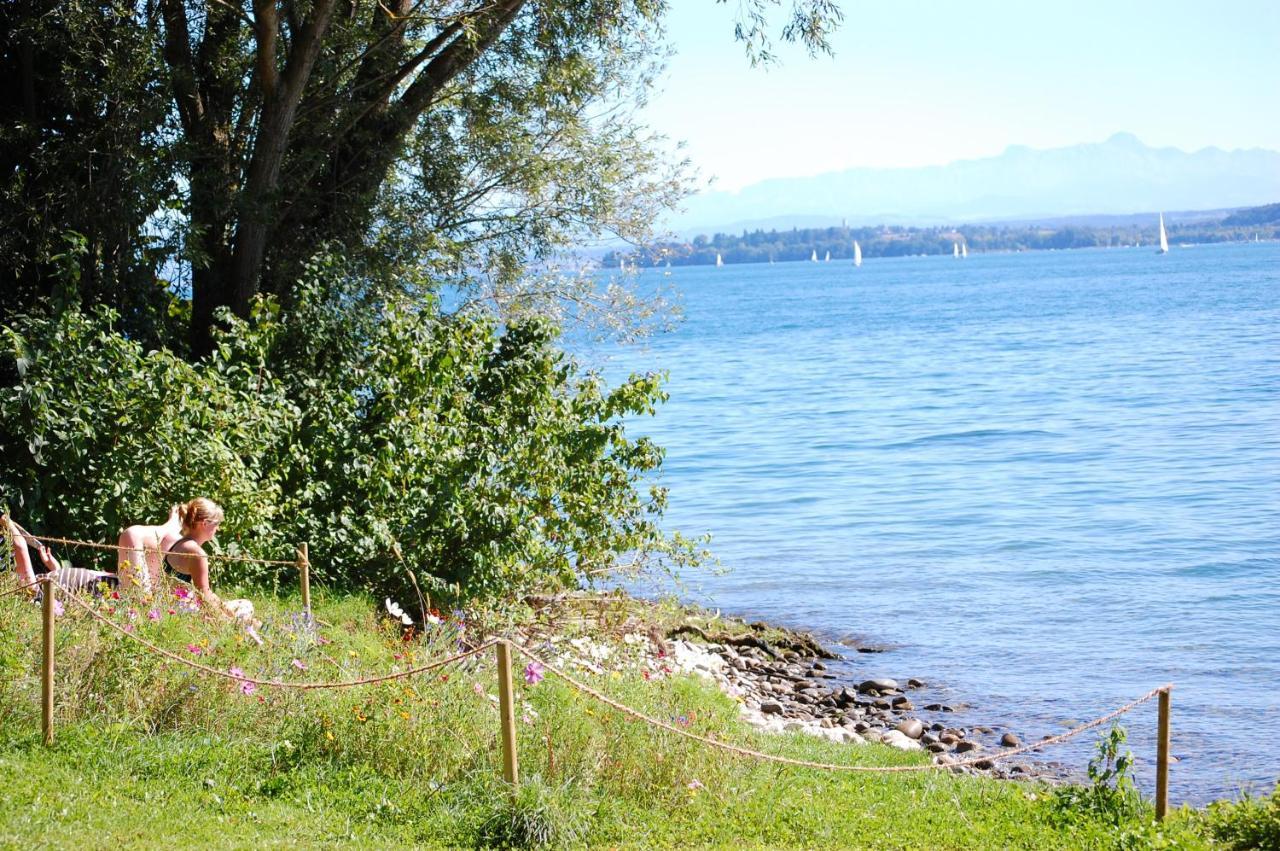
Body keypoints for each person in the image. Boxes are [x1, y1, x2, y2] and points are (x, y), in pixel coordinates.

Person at [4, 514, 117, 595]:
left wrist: (9, 525)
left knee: (19, 543)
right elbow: (69, 588)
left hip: (37, 593)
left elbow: (20, 546)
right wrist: (56, 569)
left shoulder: (34, 595)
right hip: (45, 589)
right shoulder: (116, 580)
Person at [116, 504, 182, 593]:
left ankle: (169, 526)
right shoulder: (177, 540)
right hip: (133, 537)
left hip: (132, 535)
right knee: (138, 597)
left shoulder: (171, 537)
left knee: (137, 595)